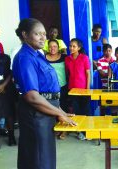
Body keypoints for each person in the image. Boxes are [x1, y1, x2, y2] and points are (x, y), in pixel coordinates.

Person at [12, 18, 76, 169]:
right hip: (36, 116)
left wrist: (60, 111)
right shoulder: (25, 58)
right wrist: (59, 113)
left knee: (45, 157)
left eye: (44, 34)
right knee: (38, 159)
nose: (43, 38)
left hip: (44, 114)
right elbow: (32, 96)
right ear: (25, 34)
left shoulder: (37, 54)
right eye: (37, 34)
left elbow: (47, 91)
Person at [65, 38, 90, 140]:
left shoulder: (84, 58)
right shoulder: (67, 59)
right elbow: (68, 74)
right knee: (76, 111)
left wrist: (87, 89)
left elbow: (88, 74)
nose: (71, 48)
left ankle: (87, 131)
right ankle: (80, 131)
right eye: (70, 46)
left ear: (79, 48)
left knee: (85, 111)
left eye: (74, 46)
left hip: (84, 89)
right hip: (72, 90)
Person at [0, 45, 16, 149]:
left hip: (6, 89)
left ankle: (11, 136)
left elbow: (10, 73)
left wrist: (3, 85)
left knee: (9, 114)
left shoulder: (5, 58)